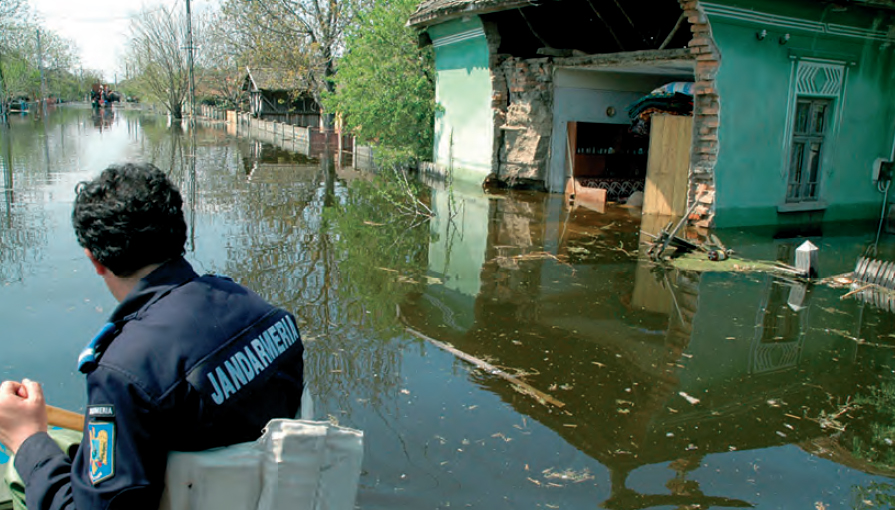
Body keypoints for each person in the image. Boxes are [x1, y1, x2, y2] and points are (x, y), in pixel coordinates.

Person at [0, 163, 305, 510]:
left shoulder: (124, 372)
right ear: (179, 233)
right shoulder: (267, 314)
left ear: (95, 260)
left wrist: (26, 439)